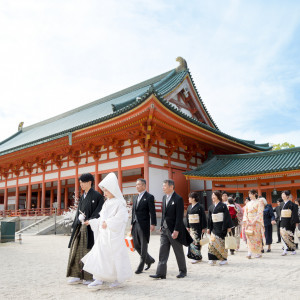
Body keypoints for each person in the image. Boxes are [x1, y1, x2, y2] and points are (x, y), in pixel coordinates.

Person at [81, 172, 132, 289]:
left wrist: (108, 223)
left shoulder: (120, 203)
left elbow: (121, 218)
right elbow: (102, 218)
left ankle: (117, 279)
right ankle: (98, 278)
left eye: (106, 190)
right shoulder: (106, 203)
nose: (104, 193)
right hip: (104, 234)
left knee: (114, 257)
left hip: (113, 235)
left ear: (112, 190)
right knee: (100, 255)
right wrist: (94, 222)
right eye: (104, 191)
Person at [150, 179, 193, 279]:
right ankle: (161, 273)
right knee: (163, 251)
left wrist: (176, 230)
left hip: (174, 229)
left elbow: (179, 216)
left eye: (164, 186)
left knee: (178, 251)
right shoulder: (164, 197)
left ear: (171, 187)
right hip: (164, 229)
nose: (163, 187)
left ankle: (183, 271)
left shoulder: (178, 199)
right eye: (163, 186)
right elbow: (164, 214)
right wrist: (161, 225)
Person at [66, 173, 104, 285]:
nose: (81, 185)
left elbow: (99, 211)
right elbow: (78, 211)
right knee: (76, 250)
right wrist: (78, 219)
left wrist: (90, 220)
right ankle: (76, 275)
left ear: (89, 182)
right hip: (80, 227)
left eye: (83, 182)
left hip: (90, 228)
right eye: (80, 183)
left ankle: (89, 276)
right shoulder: (83, 196)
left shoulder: (97, 196)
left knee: (88, 251)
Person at [131, 178, 157, 274]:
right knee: (136, 245)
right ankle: (149, 259)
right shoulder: (135, 197)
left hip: (144, 224)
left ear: (144, 186)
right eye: (136, 184)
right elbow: (134, 211)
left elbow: (152, 212)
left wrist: (153, 223)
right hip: (135, 224)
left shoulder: (149, 197)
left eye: (138, 184)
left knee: (143, 245)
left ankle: (141, 266)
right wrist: (131, 224)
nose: (137, 186)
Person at [207, 191, 233, 266]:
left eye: (214, 196)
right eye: (212, 196)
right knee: (212, 243)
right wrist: (209, 228)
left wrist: (228, 227)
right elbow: (209, 218)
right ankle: (212, 259)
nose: (212, 197)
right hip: (214, 227)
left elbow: (227, 217)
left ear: (218, 196)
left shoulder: (223, 206)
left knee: (221, 243)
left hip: (222, 227)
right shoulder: (211, 207)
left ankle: (224, 259)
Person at [186, 192, 207, 263]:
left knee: (197, 241)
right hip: (191, 227)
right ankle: (194, 256)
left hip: (198, 227)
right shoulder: (189, 207)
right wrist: (187, 226)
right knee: (191, 241)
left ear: (193, 199)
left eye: (190, 198)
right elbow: (187, 217)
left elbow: (203, 217)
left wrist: (203, 227)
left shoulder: (200, 207)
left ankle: (197, 257)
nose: (188, 199)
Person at [243, 189, 264, 259]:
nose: (249, 196)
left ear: (255, 194)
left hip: (256, 222)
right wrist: (247, 221)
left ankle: (258, 252)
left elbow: (260, 213)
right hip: (249, 222)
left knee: (256, 236)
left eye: (251, 194)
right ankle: (249, 252)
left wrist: (254, 221)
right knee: (249, 236)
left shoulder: (259, 202)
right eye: (249, 194)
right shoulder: (248, 203)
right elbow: (245, 213)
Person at [280, 190, 300, 256]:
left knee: (290, 236)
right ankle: (285, 249)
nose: (282, 196)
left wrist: (295, 222)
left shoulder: (292, 204)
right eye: (282, 194)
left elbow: (295, 215)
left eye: (284, 194)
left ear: (287, 196)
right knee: (283, 236)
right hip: (283, 221)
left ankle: (293, 250)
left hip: (289, 222)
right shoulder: (282, 204)